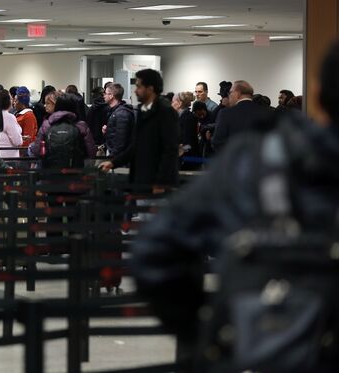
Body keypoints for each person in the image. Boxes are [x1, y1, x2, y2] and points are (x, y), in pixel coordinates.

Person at [129, 40, 339, 373]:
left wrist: (207, 331)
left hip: (272, 345)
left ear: (315, 94)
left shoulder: (258, 160)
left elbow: (155, 251)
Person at [99, 69, 179, 194]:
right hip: (142, 181)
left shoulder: (166, 112)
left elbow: (169, 151)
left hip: (157, 185)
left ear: (150, 88)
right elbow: (136, 146)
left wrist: (161, 182)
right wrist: (113, 162)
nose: (135, 90)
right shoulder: (142, 111)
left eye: (139, 87)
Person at [28, 92, 96, 166]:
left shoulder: (47, 124)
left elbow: (37, 151)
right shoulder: (81, 125)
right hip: (75, 170)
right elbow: (91, 152)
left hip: (50, 171)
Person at [211, 80, 272, 152]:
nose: (229, 96)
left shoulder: (226, 113)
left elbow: (217, 142)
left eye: (230, 93)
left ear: (238, 94)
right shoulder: (268, 112)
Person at [103, 83, 135, 157]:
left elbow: (121, 141)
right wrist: (107, 131)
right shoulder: (114, 111)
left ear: (111, 96)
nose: (104, 96)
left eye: (105, 93)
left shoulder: (121, 114)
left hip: (119, 159)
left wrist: (113, 159)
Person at [172, 91, 199, 170]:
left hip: (188, 160)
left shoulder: (188, 117)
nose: (171, 104)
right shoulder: (179, 117)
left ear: (179, 103)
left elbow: (188, 142)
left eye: (173, 102)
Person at [0, 89, 23, 159]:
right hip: (9, 157)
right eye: (11, 99)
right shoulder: (9, 117)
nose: (13, 101)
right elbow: (17, 141)